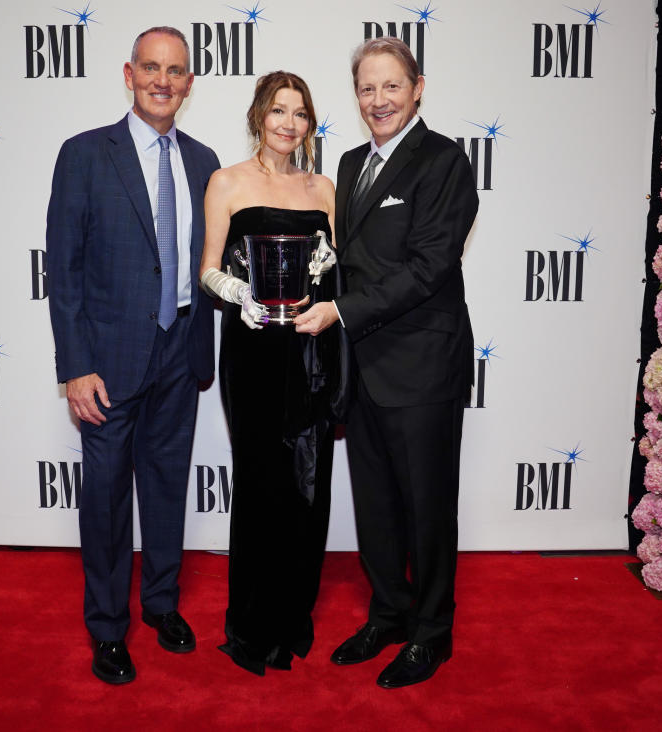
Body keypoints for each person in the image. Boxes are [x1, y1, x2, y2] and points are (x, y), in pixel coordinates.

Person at [295, 37, 478, 688]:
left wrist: (341, 312)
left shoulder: (444, 161)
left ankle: (432, 633)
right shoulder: (348, 164)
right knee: (374, 506)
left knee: (426, 507)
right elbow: (344, 259)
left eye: (391, 86)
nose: (379, 100)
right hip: (362, 369)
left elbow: (429, 268)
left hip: (422, 366)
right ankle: (389, 614)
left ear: (418, 87)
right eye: (367, 89)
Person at [46, 26, 220, 685]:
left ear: (189, 83)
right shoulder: (86, 154)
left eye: (176, 71)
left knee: (169, 486)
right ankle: (109, 631)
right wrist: (74, 366)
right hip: (108, 361)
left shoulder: (204, 161)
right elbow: (62, 271)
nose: (163, 81)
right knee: (109, 499)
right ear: (129, 73)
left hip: (181, 349)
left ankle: (163, 606)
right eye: (152, 67)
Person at [199, 71, 344, 675]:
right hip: (254, 350)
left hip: (312, 350)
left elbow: (340, 273)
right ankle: (254, 622)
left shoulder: (326, 188)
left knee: (309, 482)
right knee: (261, 481)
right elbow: (207, 269)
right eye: (278, 110)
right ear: (259, 114)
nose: (289, 122)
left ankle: (294, 613)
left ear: (311, 124)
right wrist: (240, 295)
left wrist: (328, 274)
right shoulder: (226, 182)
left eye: (301, 113)